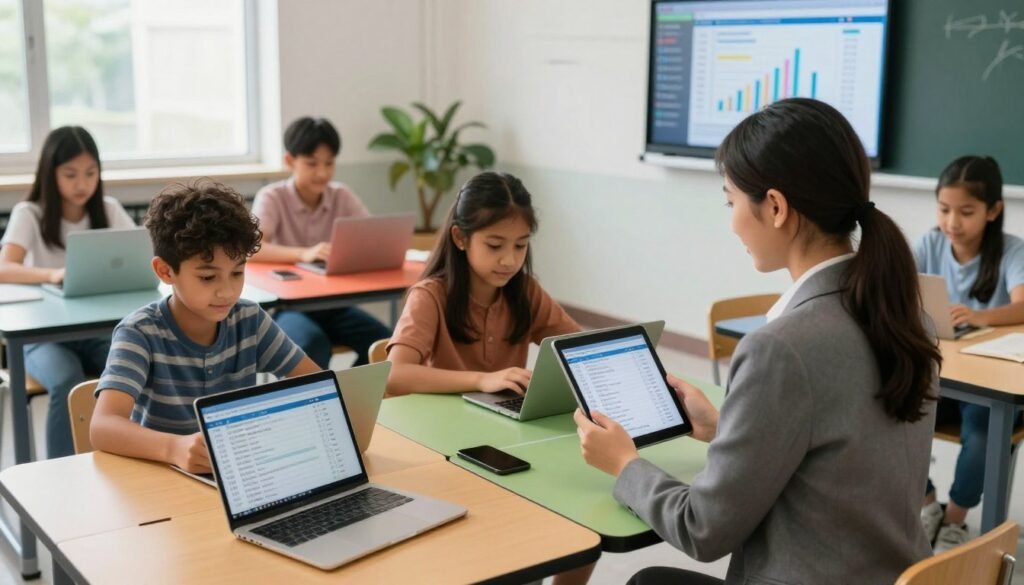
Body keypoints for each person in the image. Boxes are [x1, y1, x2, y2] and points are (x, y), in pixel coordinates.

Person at [575, 99, 942, 584]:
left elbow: (703, 529)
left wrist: (625, 464)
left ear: (775, 206)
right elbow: (839, 449)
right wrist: (724, 426)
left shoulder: (781, 348)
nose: (731, 222)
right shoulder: (908, 317)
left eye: (731, 202)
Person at [90, 180, 320, 472]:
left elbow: (318, 383)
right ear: (165, 271)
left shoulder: (249, 320)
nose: (227, 292)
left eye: (237, 272)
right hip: (163, 476)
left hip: (240, 474)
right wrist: (173, 448)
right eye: (208, 277)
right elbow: (102, 426)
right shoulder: (140, 333)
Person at [0, 126, 135, 458]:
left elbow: (140, 254)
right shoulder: (29, 213)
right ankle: (61, 472)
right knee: (66, 380)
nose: (82, 184)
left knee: (131, 372)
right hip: (41, 336)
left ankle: (123, 458)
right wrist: (53, 274)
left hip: (96, 331)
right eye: (70, 174)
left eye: (91, 173)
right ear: (51, 173)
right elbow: (4, 268)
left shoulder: (109, 209)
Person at [385, 171, 580, 396]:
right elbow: (394, 375)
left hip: (502, 414)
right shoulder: (430, 296)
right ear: (460, 238)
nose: (510, 260)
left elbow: (582, 349)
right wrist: (481, 380)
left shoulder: (526, 291)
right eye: (494, 246)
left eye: (520, 245)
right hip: (442, 415)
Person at [917, 155, 1024, 551]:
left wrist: (980, 316)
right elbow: (898, 290)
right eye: (944, 209)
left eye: (966, 212)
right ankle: (927, 505)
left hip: (989, 385)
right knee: (892, 410)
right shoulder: (930, 244)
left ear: (992, 211)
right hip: (941, 376)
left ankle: (955, 519)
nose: (952, 222)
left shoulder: (1011, 251)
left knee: (982, 431)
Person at [251, 116, 391, 368]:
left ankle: (352, 391)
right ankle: (323, 395)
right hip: (286, 307)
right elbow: (251, 249)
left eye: (329, 163)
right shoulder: (272, 197)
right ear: (290, 161)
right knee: (312, 344)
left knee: (386, 344)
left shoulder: (341, 194)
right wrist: (303, 254)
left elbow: (372, 237)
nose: (322, 173)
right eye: (312, 163)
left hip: (334, 303)